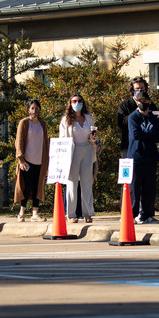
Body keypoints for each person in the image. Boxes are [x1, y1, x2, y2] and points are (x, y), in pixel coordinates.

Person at [59, 94, 97, 223]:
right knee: (72, 183)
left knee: (87, 182)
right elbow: (62, 139)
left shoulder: (89, 119)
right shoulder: (66, 120)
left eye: (79, 101)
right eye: (74, 101)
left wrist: (94, 138)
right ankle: (71, 214)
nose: (77, 103)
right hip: (72, 151)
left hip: (87, 149)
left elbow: (93, 137)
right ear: (70, 103)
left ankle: (88, 213)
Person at [126, 91, 159, 224]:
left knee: (149, 189)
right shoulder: (133, 118)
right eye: (140, 101)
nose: (143, 104)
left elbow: (158, 137)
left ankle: (147, 215)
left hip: (151, 157)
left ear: (149, 102)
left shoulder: (153, 118)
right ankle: (132, 215)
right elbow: (135, 134)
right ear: (136, 102)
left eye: (145, 101)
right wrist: (150, 133)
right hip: (136, 157)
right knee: (135, 189)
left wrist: (146, 133)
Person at [14, 100, 49, 222]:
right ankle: (21, 212)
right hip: (27, 160)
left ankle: (35, 213)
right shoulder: (24, 122)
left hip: (40, 160)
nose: (35, 111)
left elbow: (46, 142)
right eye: (32, 108)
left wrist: (47, 160)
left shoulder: (43, 124)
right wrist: (21, 159)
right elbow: (19, 141)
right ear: (28, 110)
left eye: (37, 108)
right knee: (26, 186)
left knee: (37, 186)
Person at [116, 76, 150, 158]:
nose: (140, 91)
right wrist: (137, 112)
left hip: (147, 146)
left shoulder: (150, 104)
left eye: (142, 88)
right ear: (132, 90)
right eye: (137, 89)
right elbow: (122, 123)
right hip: (129, 146)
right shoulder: (124, 105)